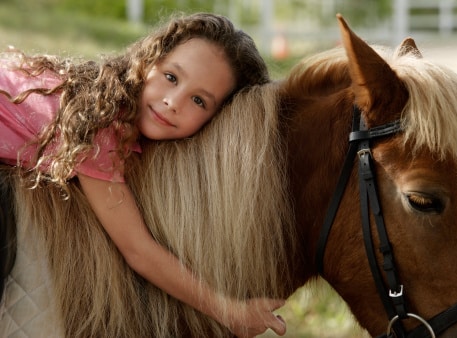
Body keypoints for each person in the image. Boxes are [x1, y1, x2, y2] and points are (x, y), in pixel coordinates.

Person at [0, 12, 286, 337]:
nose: (172, 101)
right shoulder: (102, 126)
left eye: (198, 100)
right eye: (171, 77)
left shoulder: (111, 108)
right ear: (148, 61)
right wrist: (229, 311)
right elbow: (139, 251)